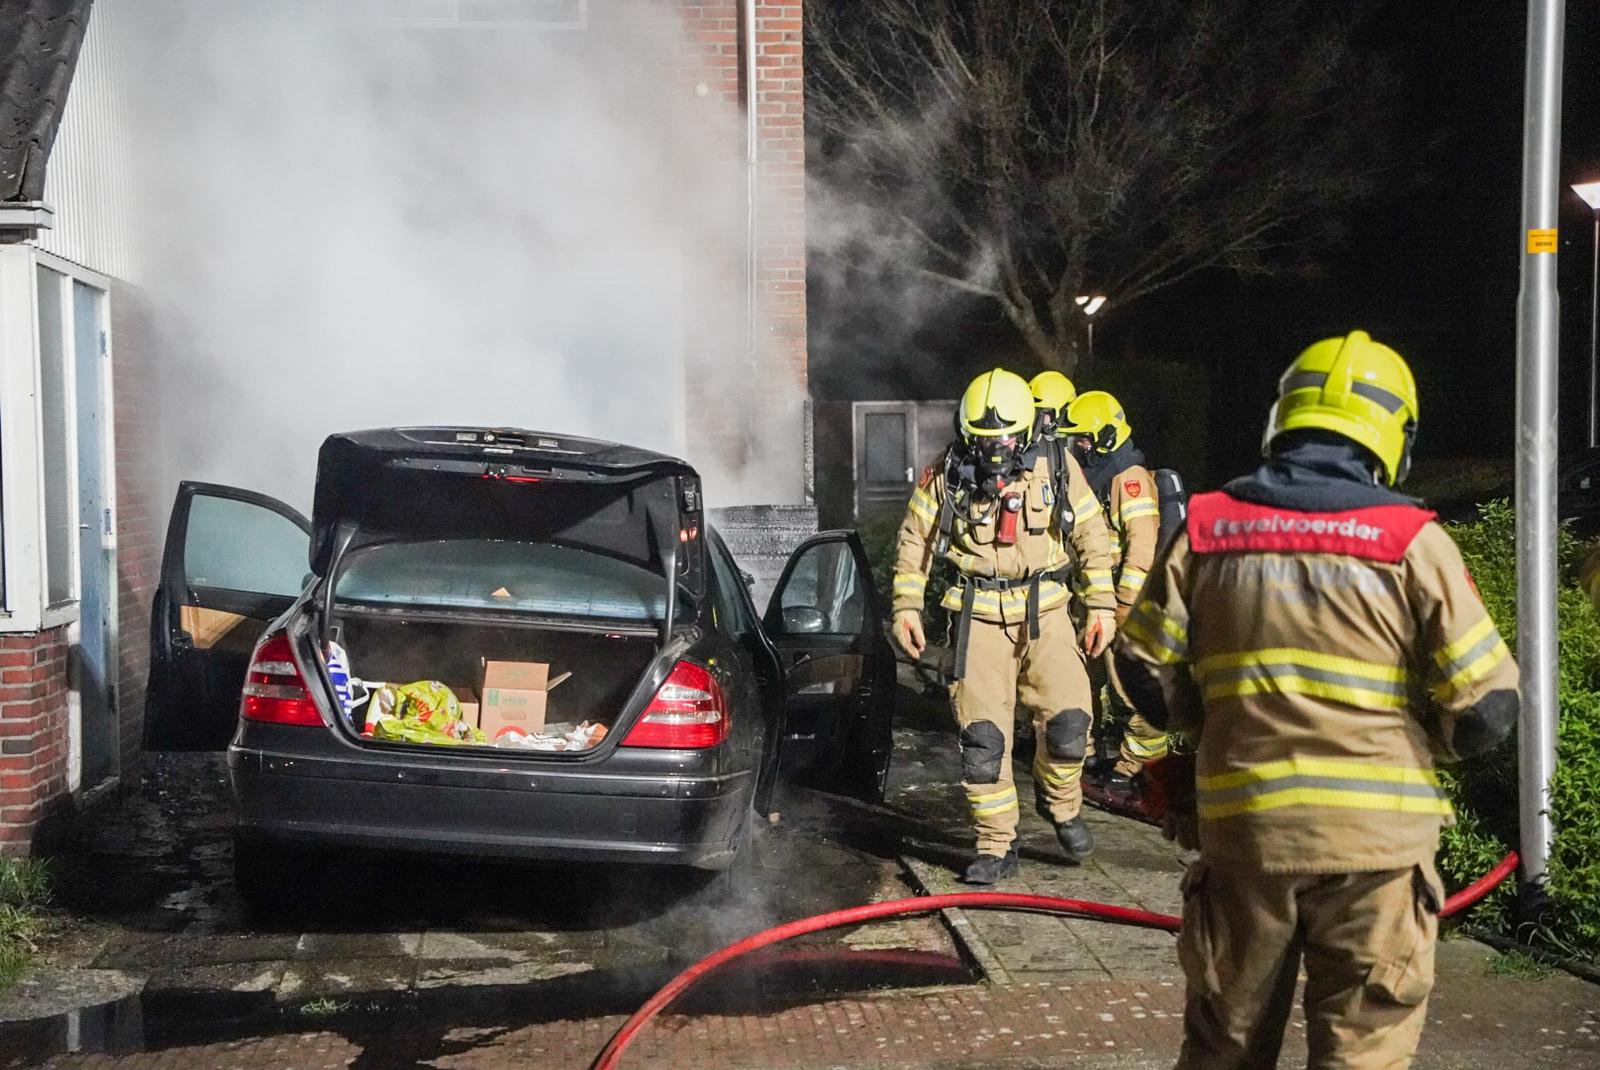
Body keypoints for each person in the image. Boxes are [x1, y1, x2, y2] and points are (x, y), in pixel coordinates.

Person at [1115, 331, 1519, 1069]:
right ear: (1394, 432)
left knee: (1223, 1049)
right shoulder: (1412, 541)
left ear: (1283, 418)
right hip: (1379, 852)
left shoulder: (1206, 528)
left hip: (1246, 842)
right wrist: (1426, 736)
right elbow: (1488, 707)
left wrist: (1206, 722)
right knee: (1363, 1055)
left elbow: (1141, 670)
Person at [893, 368, 1118, 883]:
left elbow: (1090, 532)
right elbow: (915, 541)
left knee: (1069, 725)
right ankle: (996, 844)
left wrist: (1101, 605)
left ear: (1030, 431)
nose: (996, 452)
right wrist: (906, 607)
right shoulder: (946, 472)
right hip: (979, 620)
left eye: (1007, 439)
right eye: (986, 440)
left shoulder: (1057, 465)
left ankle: (1060, 805)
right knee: (982, 739)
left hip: (1048, 612)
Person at [1057, 390, 1169, 809]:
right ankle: (1088, 761)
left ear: (1105, 435)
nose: (1078, 445)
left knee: (1131, 693)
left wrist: (1125, 603)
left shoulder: (1130, 478)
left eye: (1083, 438)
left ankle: (1133, 772)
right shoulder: (1097, 475)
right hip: (1090, 603)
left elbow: (1142, 545)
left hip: (1122, 609)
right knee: (1081, 684)